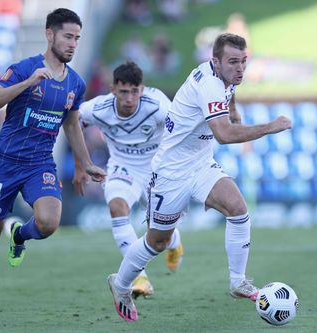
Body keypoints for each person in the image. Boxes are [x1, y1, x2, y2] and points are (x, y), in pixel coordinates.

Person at [107, 33, 292, 322]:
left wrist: (233, 109)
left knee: (238, 209)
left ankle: (238, 281)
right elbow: (224, 134)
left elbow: (230, 93)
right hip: (170, 173)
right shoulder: (208, 84)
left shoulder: (224, 77)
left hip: (201, 164)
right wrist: (270, 126)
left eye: (244, 61)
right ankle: (120, 285)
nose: (240, 68)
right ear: (215, 61)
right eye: (233, 62)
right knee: (156, 242)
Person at [0, 8, 106, 321]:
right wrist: (27, 83)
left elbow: (71, 123)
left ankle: (19, 236)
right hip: (3, 162)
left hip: (39, 163)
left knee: (48, 222)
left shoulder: (76, 83)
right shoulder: (24, 68)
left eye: (77, 38)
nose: (73, 44)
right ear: (50, 34)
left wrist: (84, 163)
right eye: (68, 36)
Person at [73, 61, 184, 298]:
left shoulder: (158, 105)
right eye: (124, 92)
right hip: (122, 167)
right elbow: (73, 121)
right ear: (113, 89)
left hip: (157, 168)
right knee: (117, 207)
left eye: (135, 91)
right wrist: (80, 165)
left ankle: (174, 242)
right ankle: (139, 277)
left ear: (142, 90)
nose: (130, 98)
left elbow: (182, 129)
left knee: (160, 234)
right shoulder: (99, 108)